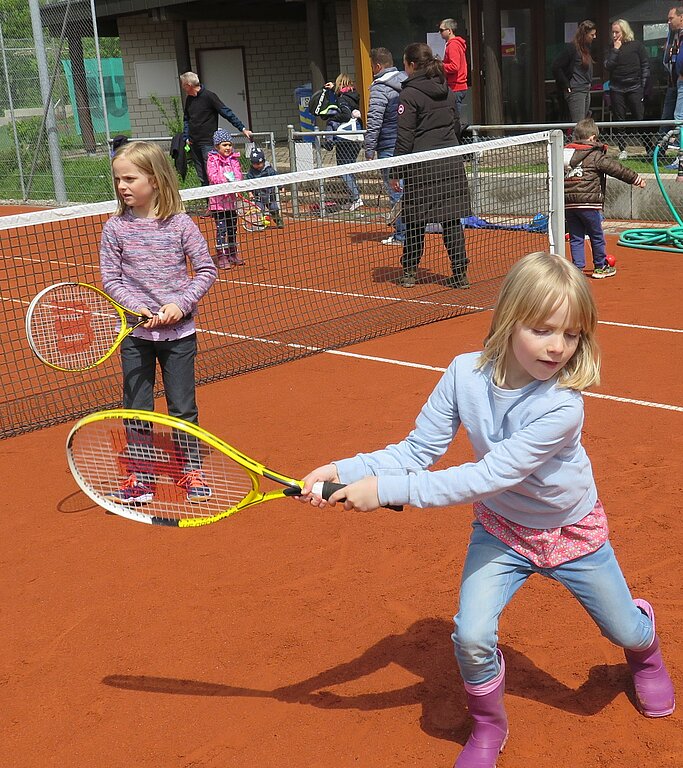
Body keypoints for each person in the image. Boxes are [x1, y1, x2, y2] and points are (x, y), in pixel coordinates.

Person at [297, 251, 676, 768]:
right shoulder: (462, 374)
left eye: (571, 335)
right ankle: (488, 727)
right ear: (508, 319)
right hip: (501, 530)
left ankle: (645, 650)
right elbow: (416, 451)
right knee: (471, 634)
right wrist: (343, 468)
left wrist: (387, 491)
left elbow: (489, 475)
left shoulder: (563, 405)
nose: (558, 347)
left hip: (571, 531)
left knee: (623, 631)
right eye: (543, 330)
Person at [100, 141, 217, 503]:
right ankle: (141, 476)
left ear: (154, 179)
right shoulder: (114, 228)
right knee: (137, 408)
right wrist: (139, 310)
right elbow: (111, 279)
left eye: (130, 178)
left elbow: (206, 270)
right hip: (135, 335)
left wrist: (179, 305)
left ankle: (190, 470)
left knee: (182, 407)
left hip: (179, 336)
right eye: (118, 179)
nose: (122, 186)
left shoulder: (180, 223)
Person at [389, 42, 470, 288]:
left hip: (422, 166)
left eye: (404, 64)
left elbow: (405, 136)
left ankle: (410, 272)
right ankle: (460, 275)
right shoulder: (446, 88)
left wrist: (395, 171)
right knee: (451, 221)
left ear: (412, 65)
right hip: (450, 163)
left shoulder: (409, 94)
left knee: (414, 222)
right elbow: (456, 125)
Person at [564, 118, 645, 278]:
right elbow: (616, 169)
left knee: (576, 237)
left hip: (569, 204)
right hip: (589, 202)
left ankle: (577, 269)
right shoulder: (595, 155)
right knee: (596, 235)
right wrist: (635, 179)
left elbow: (552, 175)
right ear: (593, 138)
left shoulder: (565, 154)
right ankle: (600, 266)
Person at [364, 47, 408, 246]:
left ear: (378, 66)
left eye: (372, 66)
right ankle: (411, 233)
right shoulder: (407, 80)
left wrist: (369, 148)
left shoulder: (379, 88)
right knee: (407, 191)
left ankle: (402, 235)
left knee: (396, 193)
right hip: (408, 144)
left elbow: (374, 120)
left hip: (389, 147)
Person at [180, 72, 253, 186]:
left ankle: (217, 202)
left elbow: (226, 112)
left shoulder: (209, 96)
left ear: (189, 85)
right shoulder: (189, 99)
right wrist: (186, 137)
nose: (183, 87)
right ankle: (209, 202)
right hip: (194, 143)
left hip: (208, 143)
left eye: (183, 85)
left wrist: (242, 128)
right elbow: (186, 119)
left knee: (212, 174)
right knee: (201, 176)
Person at [604, 19, 650, 160]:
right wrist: (616, 50)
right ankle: (622, 148)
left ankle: (649, 148)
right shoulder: (611, 47)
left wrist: (642, 86)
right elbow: (608, 65)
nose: (614, 35)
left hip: (634, 86)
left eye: (617, 32)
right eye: (612, 32)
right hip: (617, 87)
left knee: (640, 118)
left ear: (624, 31)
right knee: (620, 120)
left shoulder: (636, 46)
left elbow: (645, 65)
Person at [322, 74, 364, 211]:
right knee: (349, 168)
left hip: (345, 138)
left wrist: (332, 117)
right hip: (356, 137)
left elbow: (345, 115)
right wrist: (332, 88)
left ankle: (356, 197)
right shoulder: (353, 96)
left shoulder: (342, 99)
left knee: (343, 168)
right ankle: (354, 198)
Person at [206, 129, 244, 268]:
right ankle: (221, 255)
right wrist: (226, 183)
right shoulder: (212, 160)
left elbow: (238, 174)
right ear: (217, 146)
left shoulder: (234, 160)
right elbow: (212, 176)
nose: (228, 148)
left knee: (232, 229)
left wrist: (236, 183)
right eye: (224, 145)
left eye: (229, 145)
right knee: (221, 230)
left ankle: (232, 253)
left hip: (231, 203)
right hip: (218, 204)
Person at [552, 20, 598, 123]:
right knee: (579, 124)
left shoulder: (586, 48)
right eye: (592, 34)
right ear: (585, 34)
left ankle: (581, 139)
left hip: (585, 88)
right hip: (576, 89)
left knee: (583, 124)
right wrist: (566, 85)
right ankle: (576, 139)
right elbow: (556, 66)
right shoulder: (572, 48)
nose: (594, 37)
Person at [245, 147, 284, 228]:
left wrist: (280, 187)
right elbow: (248, 183)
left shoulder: (269, 170)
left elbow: (276, 178)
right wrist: (250, 192)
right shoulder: (251, 173)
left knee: (274, 208)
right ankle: (261, 223)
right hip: (258, 196)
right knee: (259, 210)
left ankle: (278, 220)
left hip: (270, 195)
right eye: (255, 164)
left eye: (260, 163)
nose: (258, 166)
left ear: (263, 161)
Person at [439, 18, 468, 108]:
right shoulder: (455, 44)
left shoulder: (453, 45)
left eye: (441, 30)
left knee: (454, 116)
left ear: (449, 31)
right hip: (458, 86)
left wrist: (440, 65)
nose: (440, 32)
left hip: (456, 86)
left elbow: (454, 66)